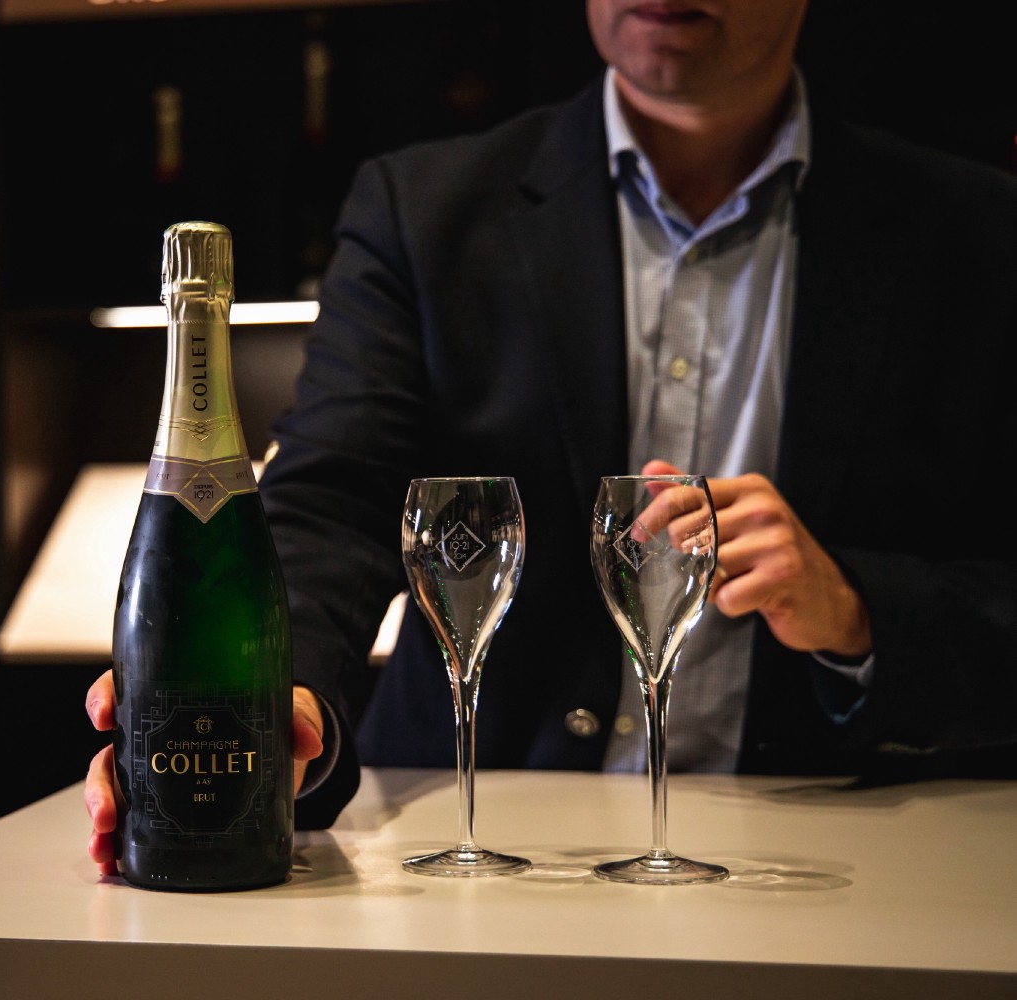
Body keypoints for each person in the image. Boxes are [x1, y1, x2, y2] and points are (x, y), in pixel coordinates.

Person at [85, 0, 1017, 870]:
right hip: (479, 853)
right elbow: (330, 504)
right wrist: (283, 704)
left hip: (838, 867)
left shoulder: (976, 231)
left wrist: (858, 610)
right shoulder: (424, 208)